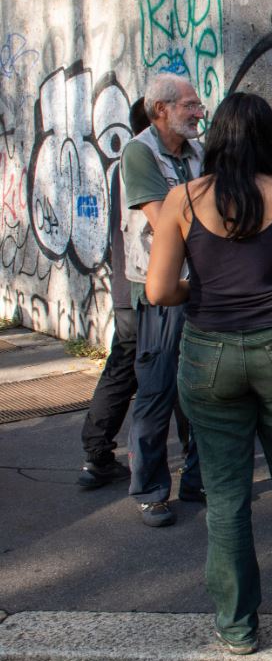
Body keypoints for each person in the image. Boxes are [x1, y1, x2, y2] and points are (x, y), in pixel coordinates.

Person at [145, 92, 272, 654]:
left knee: (227, 495)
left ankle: (238, 626)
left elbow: (160, 291)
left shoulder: (183, 198)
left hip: (208, 350)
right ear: (267, 138)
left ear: (217, 139)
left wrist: (200, 288)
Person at [119, 74, 206, 526]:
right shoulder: (140, 151)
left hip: (198, 283)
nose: (199, 111)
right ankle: (151, 489)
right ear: (161, 110)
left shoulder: (197, 152)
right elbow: (162, 219)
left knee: (198, 390)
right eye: (190, 105)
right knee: (156, 390)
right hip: (159, 289)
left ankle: (195, 477)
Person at [78, 98, 151, 490]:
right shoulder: (145, 158)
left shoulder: (127, 161)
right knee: (163, 368)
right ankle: (194, 462)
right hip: (144, 287)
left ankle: (96, 453)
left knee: (122, 368)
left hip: (128, 288)